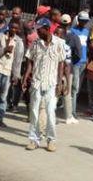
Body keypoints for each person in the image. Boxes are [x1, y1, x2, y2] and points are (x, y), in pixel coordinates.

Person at [22, 18, 65, 152]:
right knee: (34, 111)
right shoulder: (35, 43)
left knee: (50, 111)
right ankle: (33, 140)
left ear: (46, 29)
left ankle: (51, 140)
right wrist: (25, 77)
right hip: (37, 81)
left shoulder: (59, 43)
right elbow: (30, 61)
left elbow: (61, 63)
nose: (37, 32)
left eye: (39, 30)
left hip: (51, 83)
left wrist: (60, 82)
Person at [0, 20, 24, 127]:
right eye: (12, 27)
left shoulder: (18, 42)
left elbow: (18, 61)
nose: (13, 29)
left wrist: (16, 75)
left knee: (3, 96)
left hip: (8, 71)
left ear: (18, 29)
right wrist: (4, 49)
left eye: (16, 28)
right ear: (8, 27)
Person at [7, 6, 30, 112]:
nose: (14, 15)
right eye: (13, 13)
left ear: (21, 14)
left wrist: (27, 53)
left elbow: (30, 37)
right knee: (9, 78)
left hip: (22, 56)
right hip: (10, 53)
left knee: (18, 79)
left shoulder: (24, 23)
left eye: (17, 13)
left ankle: (15, 103)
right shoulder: (9, 22)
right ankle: (8, 101)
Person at [70, 11, 90, 120]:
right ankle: (72, 111)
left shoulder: (87, 31)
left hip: (83, 62)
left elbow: (87, 46)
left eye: (86, 21)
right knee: (75, 87)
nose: (84, 22)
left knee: (78, 86)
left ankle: (72, 108)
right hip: (76, 62)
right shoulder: (73, 31)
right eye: (82, 20)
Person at [54, 27, 75, 124]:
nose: (57, 35)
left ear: (63, 35)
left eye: (59, 34)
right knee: (54, 96)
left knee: (64, 94)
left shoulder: (66, 48)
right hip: (51, 74)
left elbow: (67, 65)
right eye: (55, 33)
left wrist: (67, 81)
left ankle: (68, 116)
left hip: (60, 75)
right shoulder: (49, 44)